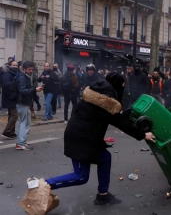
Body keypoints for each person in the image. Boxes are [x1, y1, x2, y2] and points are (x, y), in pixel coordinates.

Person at [42, 72, 156, 205]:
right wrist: (143, 135)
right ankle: (43, 185)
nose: (123, 89)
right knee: (81, 177)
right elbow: (119, 122)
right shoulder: (106, 101)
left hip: (86, 137)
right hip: (80, 140)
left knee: (105, 158)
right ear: (117, 85)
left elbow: (103, 117)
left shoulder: (95, 93)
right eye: (123, 85)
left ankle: (103, 195)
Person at [15, 61, 43, 150]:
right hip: (22, 102)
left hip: (23, 102)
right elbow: (22, 90)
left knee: (22, 123)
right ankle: (21, 143)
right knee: (25, 123)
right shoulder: (22, 77)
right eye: (29, 69)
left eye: (32, 69)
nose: (31, 71)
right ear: (24, 69)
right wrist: (34, 90)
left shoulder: (24, 76)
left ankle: (20, 142)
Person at [1, 61, 19, 139]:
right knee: (14, 114)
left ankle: (11, 132)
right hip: (9, 97)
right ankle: (7, 131)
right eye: (13, 65)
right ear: (10, 65)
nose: (15, 67)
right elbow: (6, 86)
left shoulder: (12, 73)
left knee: (11, 114)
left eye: (16, 65)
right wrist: (13, 93)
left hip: (11, 97)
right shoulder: (7, 74)